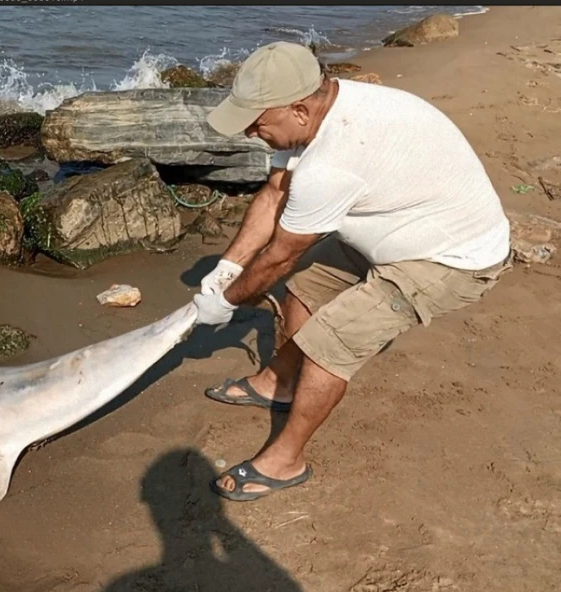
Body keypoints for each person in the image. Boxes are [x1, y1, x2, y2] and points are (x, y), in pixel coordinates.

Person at [192, 41, 511, 502]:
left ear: (299, 110)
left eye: (255, 123)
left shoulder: (331, 165)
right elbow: (274, 194)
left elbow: (281, 253)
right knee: (303, 293)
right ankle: (279, 383)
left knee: (331, 343)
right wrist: (228, 268)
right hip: (396, 225)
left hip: (452, 258)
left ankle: (286, 461)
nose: (248, 133)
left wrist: (226, 302)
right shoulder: (327, 109)